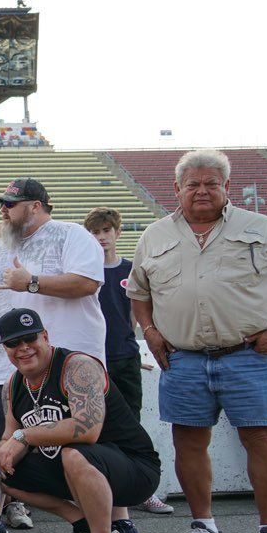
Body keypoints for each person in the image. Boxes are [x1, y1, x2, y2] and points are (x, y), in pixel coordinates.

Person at [127, 149, 267, 533]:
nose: (201, 190)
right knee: (189, 442)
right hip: (183, 359)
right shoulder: (154, 236)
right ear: (176, 189)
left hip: (248, 355)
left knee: (264, 441)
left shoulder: (262, 228)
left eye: (211, 183)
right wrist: (152, 333)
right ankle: (205, 529)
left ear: (226, 187)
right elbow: (139, 293)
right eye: (192, 183)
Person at [0, 176, 106, 533]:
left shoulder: (71, 234)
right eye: (3, 205)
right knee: (0, 446)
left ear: (36, 206)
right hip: (7, 367)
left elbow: (87, 282)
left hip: (70, 365)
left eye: (11, 204)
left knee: (91, 444)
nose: (4, 211)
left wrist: (31, 281)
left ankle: (113, 520)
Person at [0, 308, 161, 533]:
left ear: (45, 336)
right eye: (13, 343)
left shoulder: (77, 366)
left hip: (133, 468)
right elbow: (9, 437)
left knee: (74, 453)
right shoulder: (13, 385)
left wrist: (23, 436)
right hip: (75, 467)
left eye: (30, 338)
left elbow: (87, 429)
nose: (23, 348)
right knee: (3, 474)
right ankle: (82, 527)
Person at [83, 208, 173, 516]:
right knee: (90, 428)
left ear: (117, 233)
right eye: (95, 232)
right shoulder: (84, 272)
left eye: (106, 231)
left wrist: (136, 352)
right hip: (90, 360)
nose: (101, 237)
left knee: (130, 426)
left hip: (124, 358)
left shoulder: (131, 271)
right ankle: (96, 491)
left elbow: (137, 317)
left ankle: (141, 491)